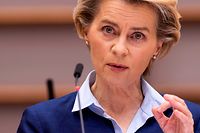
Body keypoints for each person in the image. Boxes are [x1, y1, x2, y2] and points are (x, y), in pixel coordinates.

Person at [17, 0, 200, 133]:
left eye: (137, 36)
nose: (119, 49)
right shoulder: (42, 123)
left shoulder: (189, 120)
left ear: (157, 46)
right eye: (108, 30)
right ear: (85, 30)